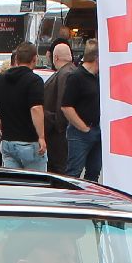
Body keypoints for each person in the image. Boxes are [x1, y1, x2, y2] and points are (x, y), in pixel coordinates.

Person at [0, 43, 48, 171]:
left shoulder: (1, 80)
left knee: (14, 181)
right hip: (29, 141)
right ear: (34, 59)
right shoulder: (34, 81)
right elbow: (36, 108)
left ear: (16, 59)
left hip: (8, 141)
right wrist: (41, 136)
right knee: (36, 181)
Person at [59, 40, 103, 182]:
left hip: (98, 130)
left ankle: (90, 196)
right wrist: (84, 128)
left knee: (94, 172)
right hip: (79, 133)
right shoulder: (76, 76)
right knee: (74, 172)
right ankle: (70, 196)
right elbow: (66, 106)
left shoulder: (99, 78)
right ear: (97, 58)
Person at [40, 39, 77, 175]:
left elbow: (63, 103)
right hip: (60, 131)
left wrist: (56, 124)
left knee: (59, 170)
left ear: (55, 57)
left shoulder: (65, 74)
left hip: (58, 134)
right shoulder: (70, 71)